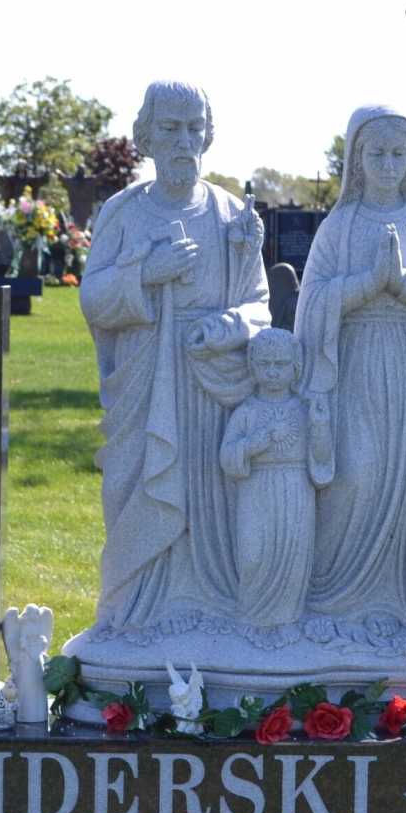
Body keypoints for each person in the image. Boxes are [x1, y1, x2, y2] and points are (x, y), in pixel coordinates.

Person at [80, 80, 269, 634]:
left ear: (208, 134)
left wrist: (229, 325)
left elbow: (261, 305)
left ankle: (209, 606)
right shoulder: (123, 214)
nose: (184, 140)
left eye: (194, 128)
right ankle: (134, 608)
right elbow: (92, 298)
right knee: (139, 484)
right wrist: (145, 274)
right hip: (145, 378)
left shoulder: (231, 214)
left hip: (214, 385)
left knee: (210, 496)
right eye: (170, 128)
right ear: (146, 136)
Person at [291, 106, 406, 648]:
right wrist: (367, 285)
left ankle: (395, 603)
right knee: (353, 474)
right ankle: (330, 598)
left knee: (405, 483)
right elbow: (312, 301)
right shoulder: (338, 227)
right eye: (377, 154)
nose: (388, 164)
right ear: (356, 161)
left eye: (399, 154)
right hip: (353, 369)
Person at [219, 329, 332, 628]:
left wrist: (320, 426)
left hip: (295, 489)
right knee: (254, 554)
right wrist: (253, 444)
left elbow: (321, 459)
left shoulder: (303, 410)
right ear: (253, 367)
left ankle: (286, 622)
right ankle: (253, 619)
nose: (272, 372)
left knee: (293, 554)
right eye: (265, 364)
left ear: (294, 367)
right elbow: (227, 457)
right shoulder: (246, 412)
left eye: (280, 365)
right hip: (256, 489)